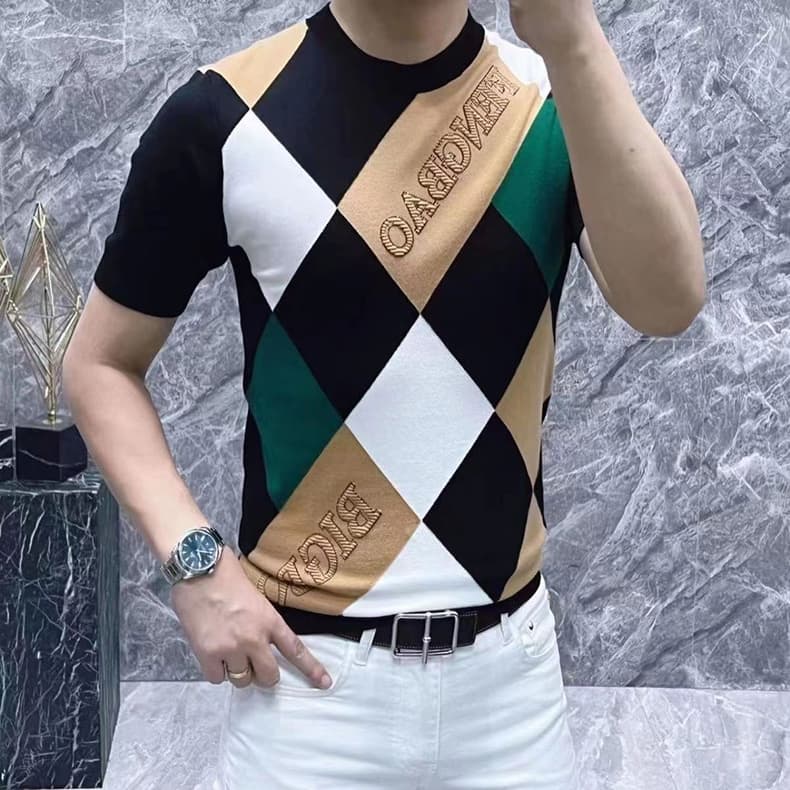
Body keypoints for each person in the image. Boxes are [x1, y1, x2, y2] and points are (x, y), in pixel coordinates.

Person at [63, 0, 705, 787]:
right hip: (305, 698)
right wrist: (195, 563)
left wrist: (571, 38)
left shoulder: (553, 100)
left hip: (513, 701)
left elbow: (668, 302)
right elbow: (99, 364)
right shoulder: (226, 112)